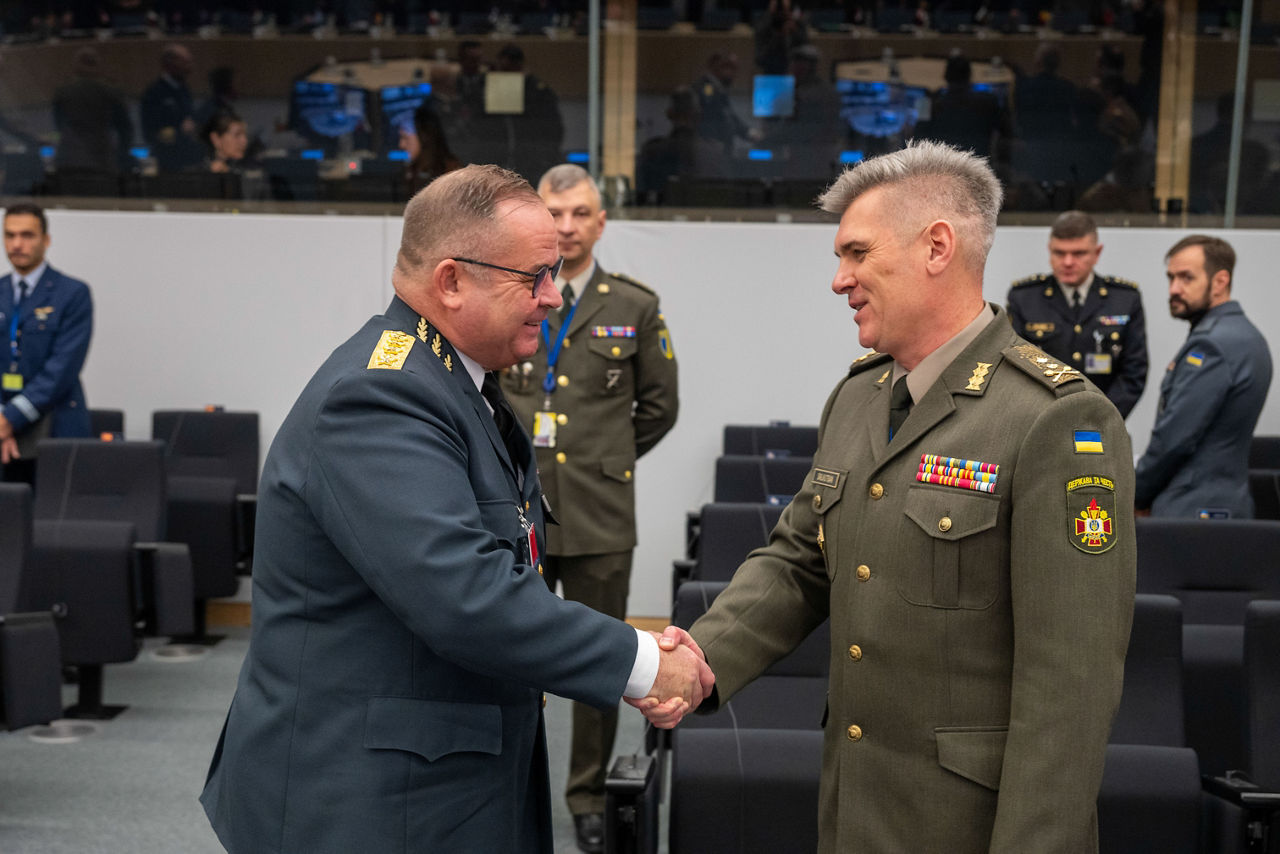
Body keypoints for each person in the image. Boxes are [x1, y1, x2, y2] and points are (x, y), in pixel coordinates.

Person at [199, 165, 710, 854]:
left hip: (431, 781)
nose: (553, 297)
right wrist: (644, 662)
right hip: (366, 802)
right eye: (534, 278)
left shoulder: (451, 381)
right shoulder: (381, 399)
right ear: (451, 281)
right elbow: (464, 595)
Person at [655, 141, 1136, 852]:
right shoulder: (859, 396)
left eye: (855, 252)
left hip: (967, 827)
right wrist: (700, 659)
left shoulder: (1054, 417)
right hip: (854, 810)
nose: (838, 280)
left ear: (937, 246)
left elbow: (1070, 685)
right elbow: (798, 560)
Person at [501, 164, 679, 854]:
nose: (568, 227)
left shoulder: (633, 304)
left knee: (603, 659)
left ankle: (586, 795)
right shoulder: (510, 294)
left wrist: (606, 454)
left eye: (580, 214)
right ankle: (509, 782)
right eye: (556, 214)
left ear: (601, 223)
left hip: (602, 512)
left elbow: (660, 406)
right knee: (510, 654)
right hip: (517, 512)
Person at [1135, 235, 1272, 519]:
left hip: (1190, 511)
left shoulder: (1212, 345)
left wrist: (1135, 493)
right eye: (1171, 278)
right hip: (1223, 505)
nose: (1174, 289)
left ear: (1220, 281)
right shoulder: (1247, 335)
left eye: (1186, 278)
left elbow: (1175, 437)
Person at [1007, 210, 1147, 418]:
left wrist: (1100, 417)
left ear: (1097, 253)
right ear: (1049, 251)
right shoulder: (1025, 298)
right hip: (1041, 420)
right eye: (1059, 253)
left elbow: (1133, 372)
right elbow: (1014, 368)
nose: (1068, 262)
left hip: (1103, 420)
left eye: (1079, 253)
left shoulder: (1124, 299)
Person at [1, 203, 94, 486]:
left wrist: (12, 418)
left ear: (46, 240)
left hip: (54, 425)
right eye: (10, 235)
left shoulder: (72, 293)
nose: (17, 244)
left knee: (52, 522)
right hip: (3, 431)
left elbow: (62, 369)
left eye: (27, 235)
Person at [52, 47, 134, 180]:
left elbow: (58, 126)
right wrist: (122, 154)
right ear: (98, 65)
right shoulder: (111, 92)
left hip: (69, 158)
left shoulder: (63, 92)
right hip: (102, 158)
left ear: (76, 65)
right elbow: (125, 129)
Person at [914, 54, 1011, 161]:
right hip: (978, 166)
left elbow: (918, 139)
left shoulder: (930, 103)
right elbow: (1007, 133)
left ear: (945, 76)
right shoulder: (988, 101)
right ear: (970, 76)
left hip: (943, 166)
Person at [140, 43, 204, 172]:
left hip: (189, 159)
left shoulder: (184, 90)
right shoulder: (155, 93)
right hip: (167, 162)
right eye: (185, 62)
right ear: (170, 64)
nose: (189, 67)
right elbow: (151, 132)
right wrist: (180, 131)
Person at [693, 52, 751, 159]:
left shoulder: (718, 89)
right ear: (715, 66)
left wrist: (747, 132)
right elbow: (715, 113)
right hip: (712, 149)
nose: (734, 73)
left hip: (718, 149)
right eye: (729, 68)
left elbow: (729, 115)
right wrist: (747, 132)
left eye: (735, 69)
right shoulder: (707, 88)